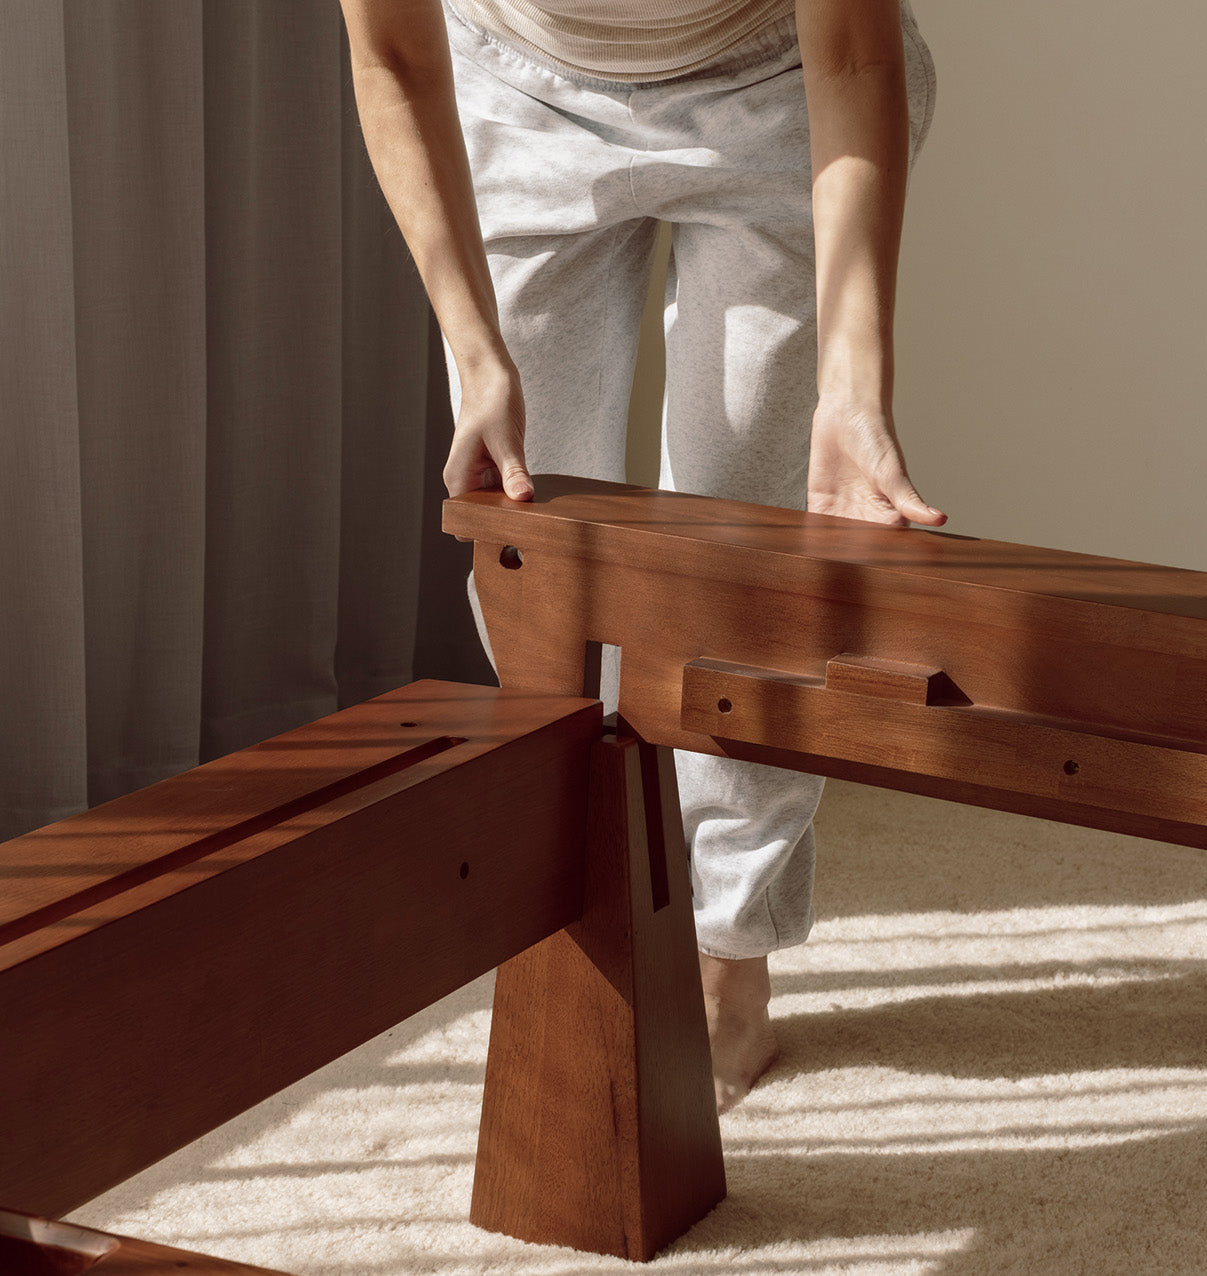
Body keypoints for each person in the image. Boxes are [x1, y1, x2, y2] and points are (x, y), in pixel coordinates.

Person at [338, 0, 947, 1112]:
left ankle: (727, 955)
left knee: (747, 550)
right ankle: (581, 922)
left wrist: (854, 387)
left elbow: (856, 50)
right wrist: (475, 354)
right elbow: (389, 55)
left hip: (773, 89)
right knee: (533, 541)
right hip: (515, 92)